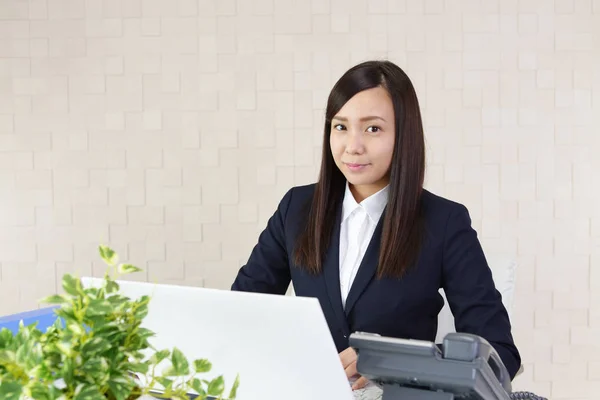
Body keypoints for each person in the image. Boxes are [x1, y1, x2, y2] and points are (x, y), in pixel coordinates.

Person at [231, 60, 521, 390]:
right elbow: (240, 312)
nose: (352, 146)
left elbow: (501, 356)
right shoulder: (296, 209)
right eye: (341, 127)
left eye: (373, 129)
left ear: (404, 135)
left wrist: (393, 364)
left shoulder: (444, 223)